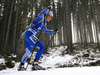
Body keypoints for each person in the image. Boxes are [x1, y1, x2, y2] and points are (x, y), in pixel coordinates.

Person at [18, 5, 59, 71]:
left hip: (29, 35)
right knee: (42, 47)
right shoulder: (41, 18)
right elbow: (40, 13)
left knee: (28, 52)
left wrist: (53, 31)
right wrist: (47, 9)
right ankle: (35, 64)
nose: (51, 18)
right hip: (30, 34)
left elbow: (46, 31)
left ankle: (21, 66)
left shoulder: (44, 23)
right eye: (51, 17)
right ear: (47, 15)